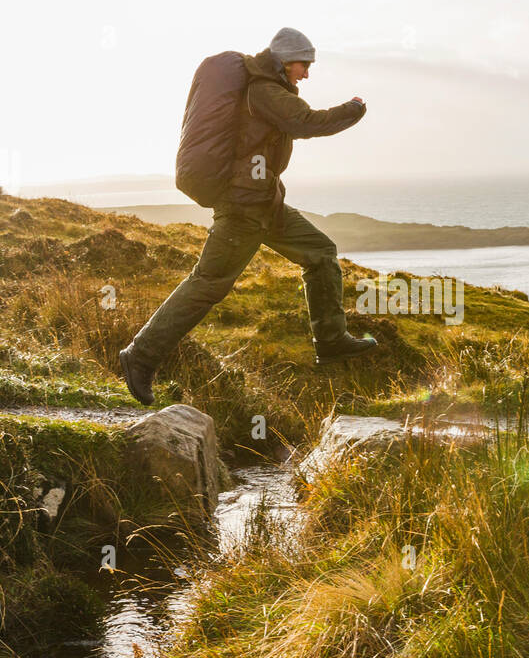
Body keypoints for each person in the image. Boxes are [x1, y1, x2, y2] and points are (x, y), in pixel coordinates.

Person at [119, 27, 377, 406]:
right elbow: (307, 122)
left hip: (265, 205)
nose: (306, 74)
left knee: (321, 252)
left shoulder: (266, 87)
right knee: (207, 284)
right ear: (286, 60)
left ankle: (331, 340)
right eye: (305, 65)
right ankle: (140, 355)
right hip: (243, 209)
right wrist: (354, 108)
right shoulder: (264, 91)